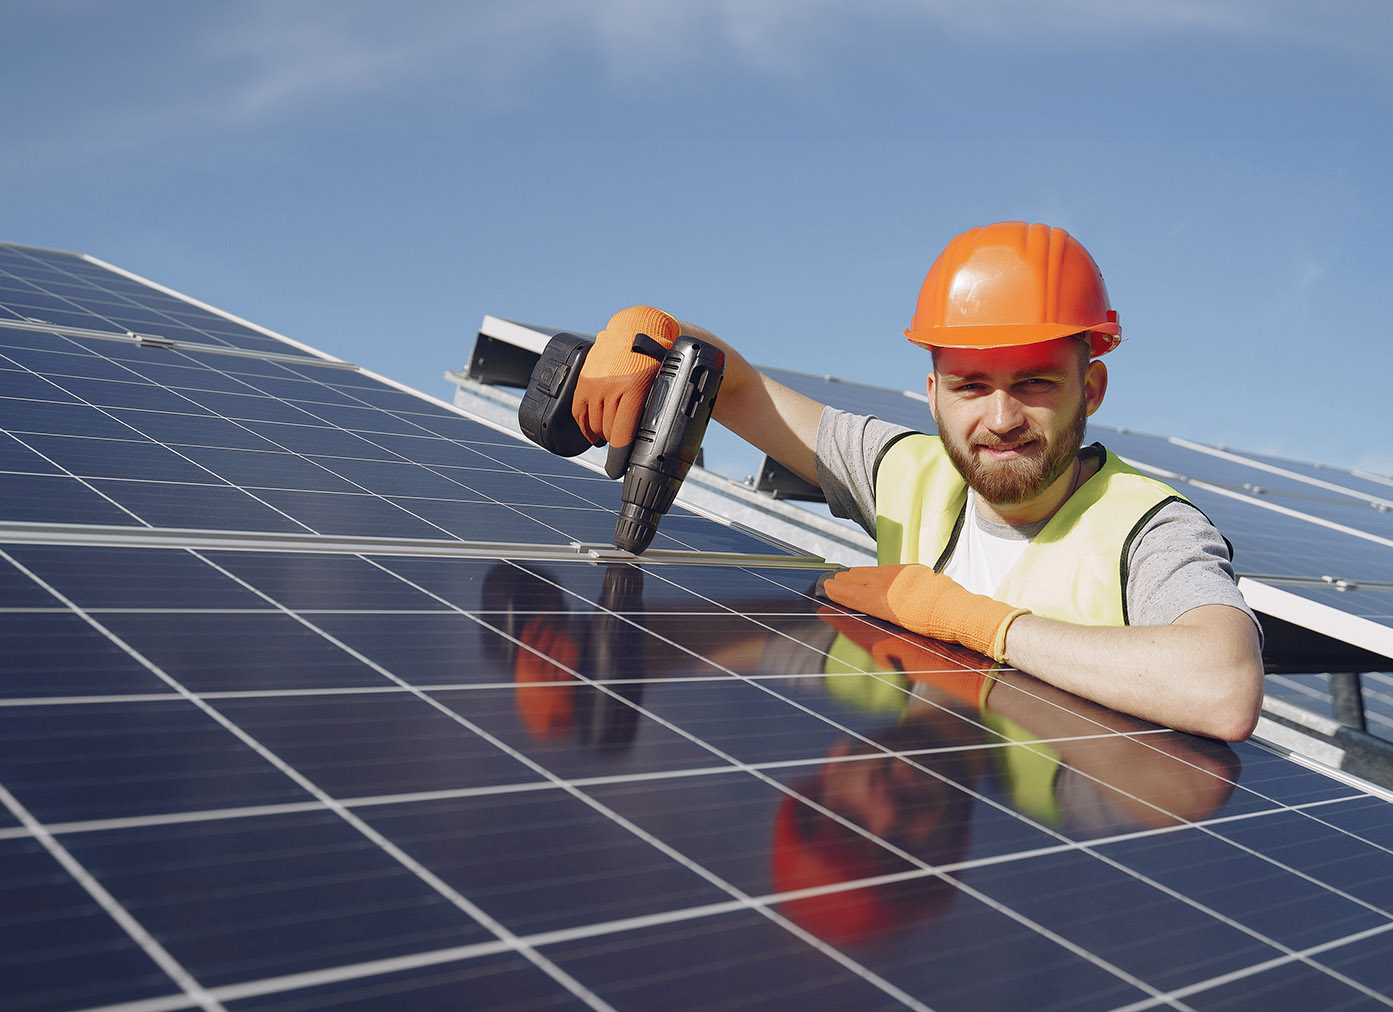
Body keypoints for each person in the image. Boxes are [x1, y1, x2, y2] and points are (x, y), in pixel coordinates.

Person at [571, 221, 1264, 741]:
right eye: (969, 386)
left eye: (1034, 383)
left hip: (1058, 871)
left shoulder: (1147, 527)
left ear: (1092, 387)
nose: (999, 418)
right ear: (931, 394)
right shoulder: (902, 468)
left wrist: (971, 622)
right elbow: (739, 388)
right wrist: (647, 328)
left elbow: (1220, 686)